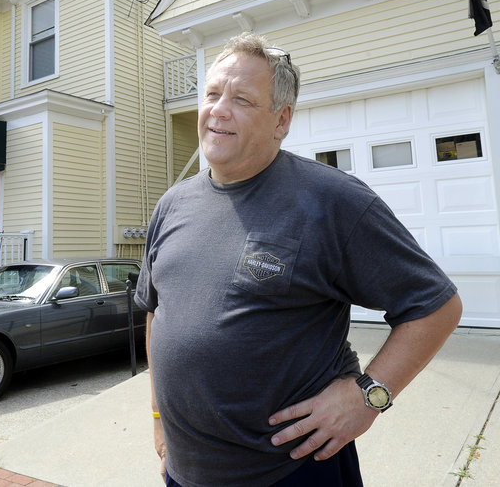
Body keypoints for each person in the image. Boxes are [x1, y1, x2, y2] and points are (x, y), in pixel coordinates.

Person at [134, 32, 462, 487]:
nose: (219, 110)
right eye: (212, 94)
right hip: (185, 473)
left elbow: (436, 306)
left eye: (243, 99)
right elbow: (156, 311)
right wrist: (157, 416)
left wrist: (369, 396)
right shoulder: (172, 204)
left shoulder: (333, 201)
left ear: (281, 119)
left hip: (293, 472)